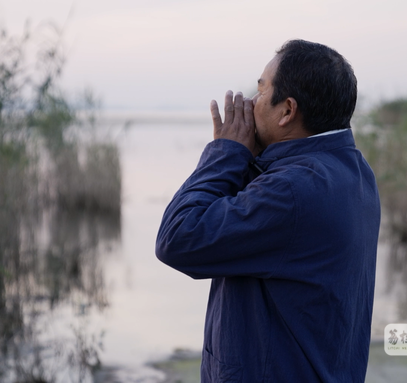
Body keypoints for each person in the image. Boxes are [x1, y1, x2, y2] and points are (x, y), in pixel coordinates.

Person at [155, 39, 381, 382]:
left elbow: (178, 238)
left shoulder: (293, 191)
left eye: (261, 91)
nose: (248, 103)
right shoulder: (351, 170)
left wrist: (226, 152)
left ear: (287, 111)